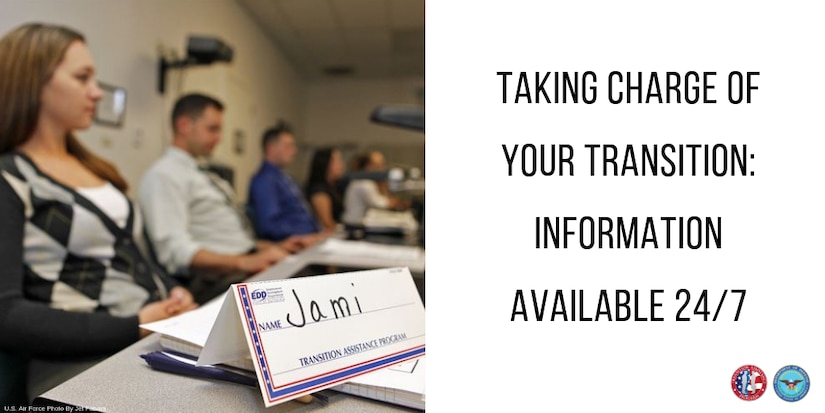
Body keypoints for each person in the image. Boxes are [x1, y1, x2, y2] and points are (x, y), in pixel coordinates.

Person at [0, 23, 197, 399]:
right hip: (81, 362)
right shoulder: (11, 178)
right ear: (33, 82)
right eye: (82, 77)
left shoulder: (95, 168)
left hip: (148, 343)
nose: (96, 92)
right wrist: (135, 324)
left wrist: (172, 291)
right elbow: (5, 314)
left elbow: (130, 252)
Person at [138, 94, 295, 303]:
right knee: (304, 289)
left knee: (304, 275)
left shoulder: (204, 173)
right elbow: (174, 250)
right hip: (217, 279)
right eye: (212, 129)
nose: (219, 138)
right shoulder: (164, 175)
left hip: (240, 264)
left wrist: (265, 248)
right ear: (184, 125)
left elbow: (221, 236)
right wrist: (243, 261)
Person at [248, 121, 326, 243]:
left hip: (312, 240)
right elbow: (269, 226)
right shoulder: (264, 181)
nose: (294, 151)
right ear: (271, 148)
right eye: (288, 146)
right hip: (295, 244)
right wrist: (305, 237)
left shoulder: (285, 178)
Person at [341, 150, 406, 225]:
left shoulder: (371, 182)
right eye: (377, 166)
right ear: (368, 166)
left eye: (382, 165)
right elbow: (380, 203)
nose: (382, 169)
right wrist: (401, 203)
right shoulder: (363, 183)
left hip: (362, 222)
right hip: (354, 224)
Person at [305, 147, 345, 232]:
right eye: (337, 161)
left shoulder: (335, 187)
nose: (341, 165)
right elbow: (327, 224)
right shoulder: (319, 191)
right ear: (325, 164)